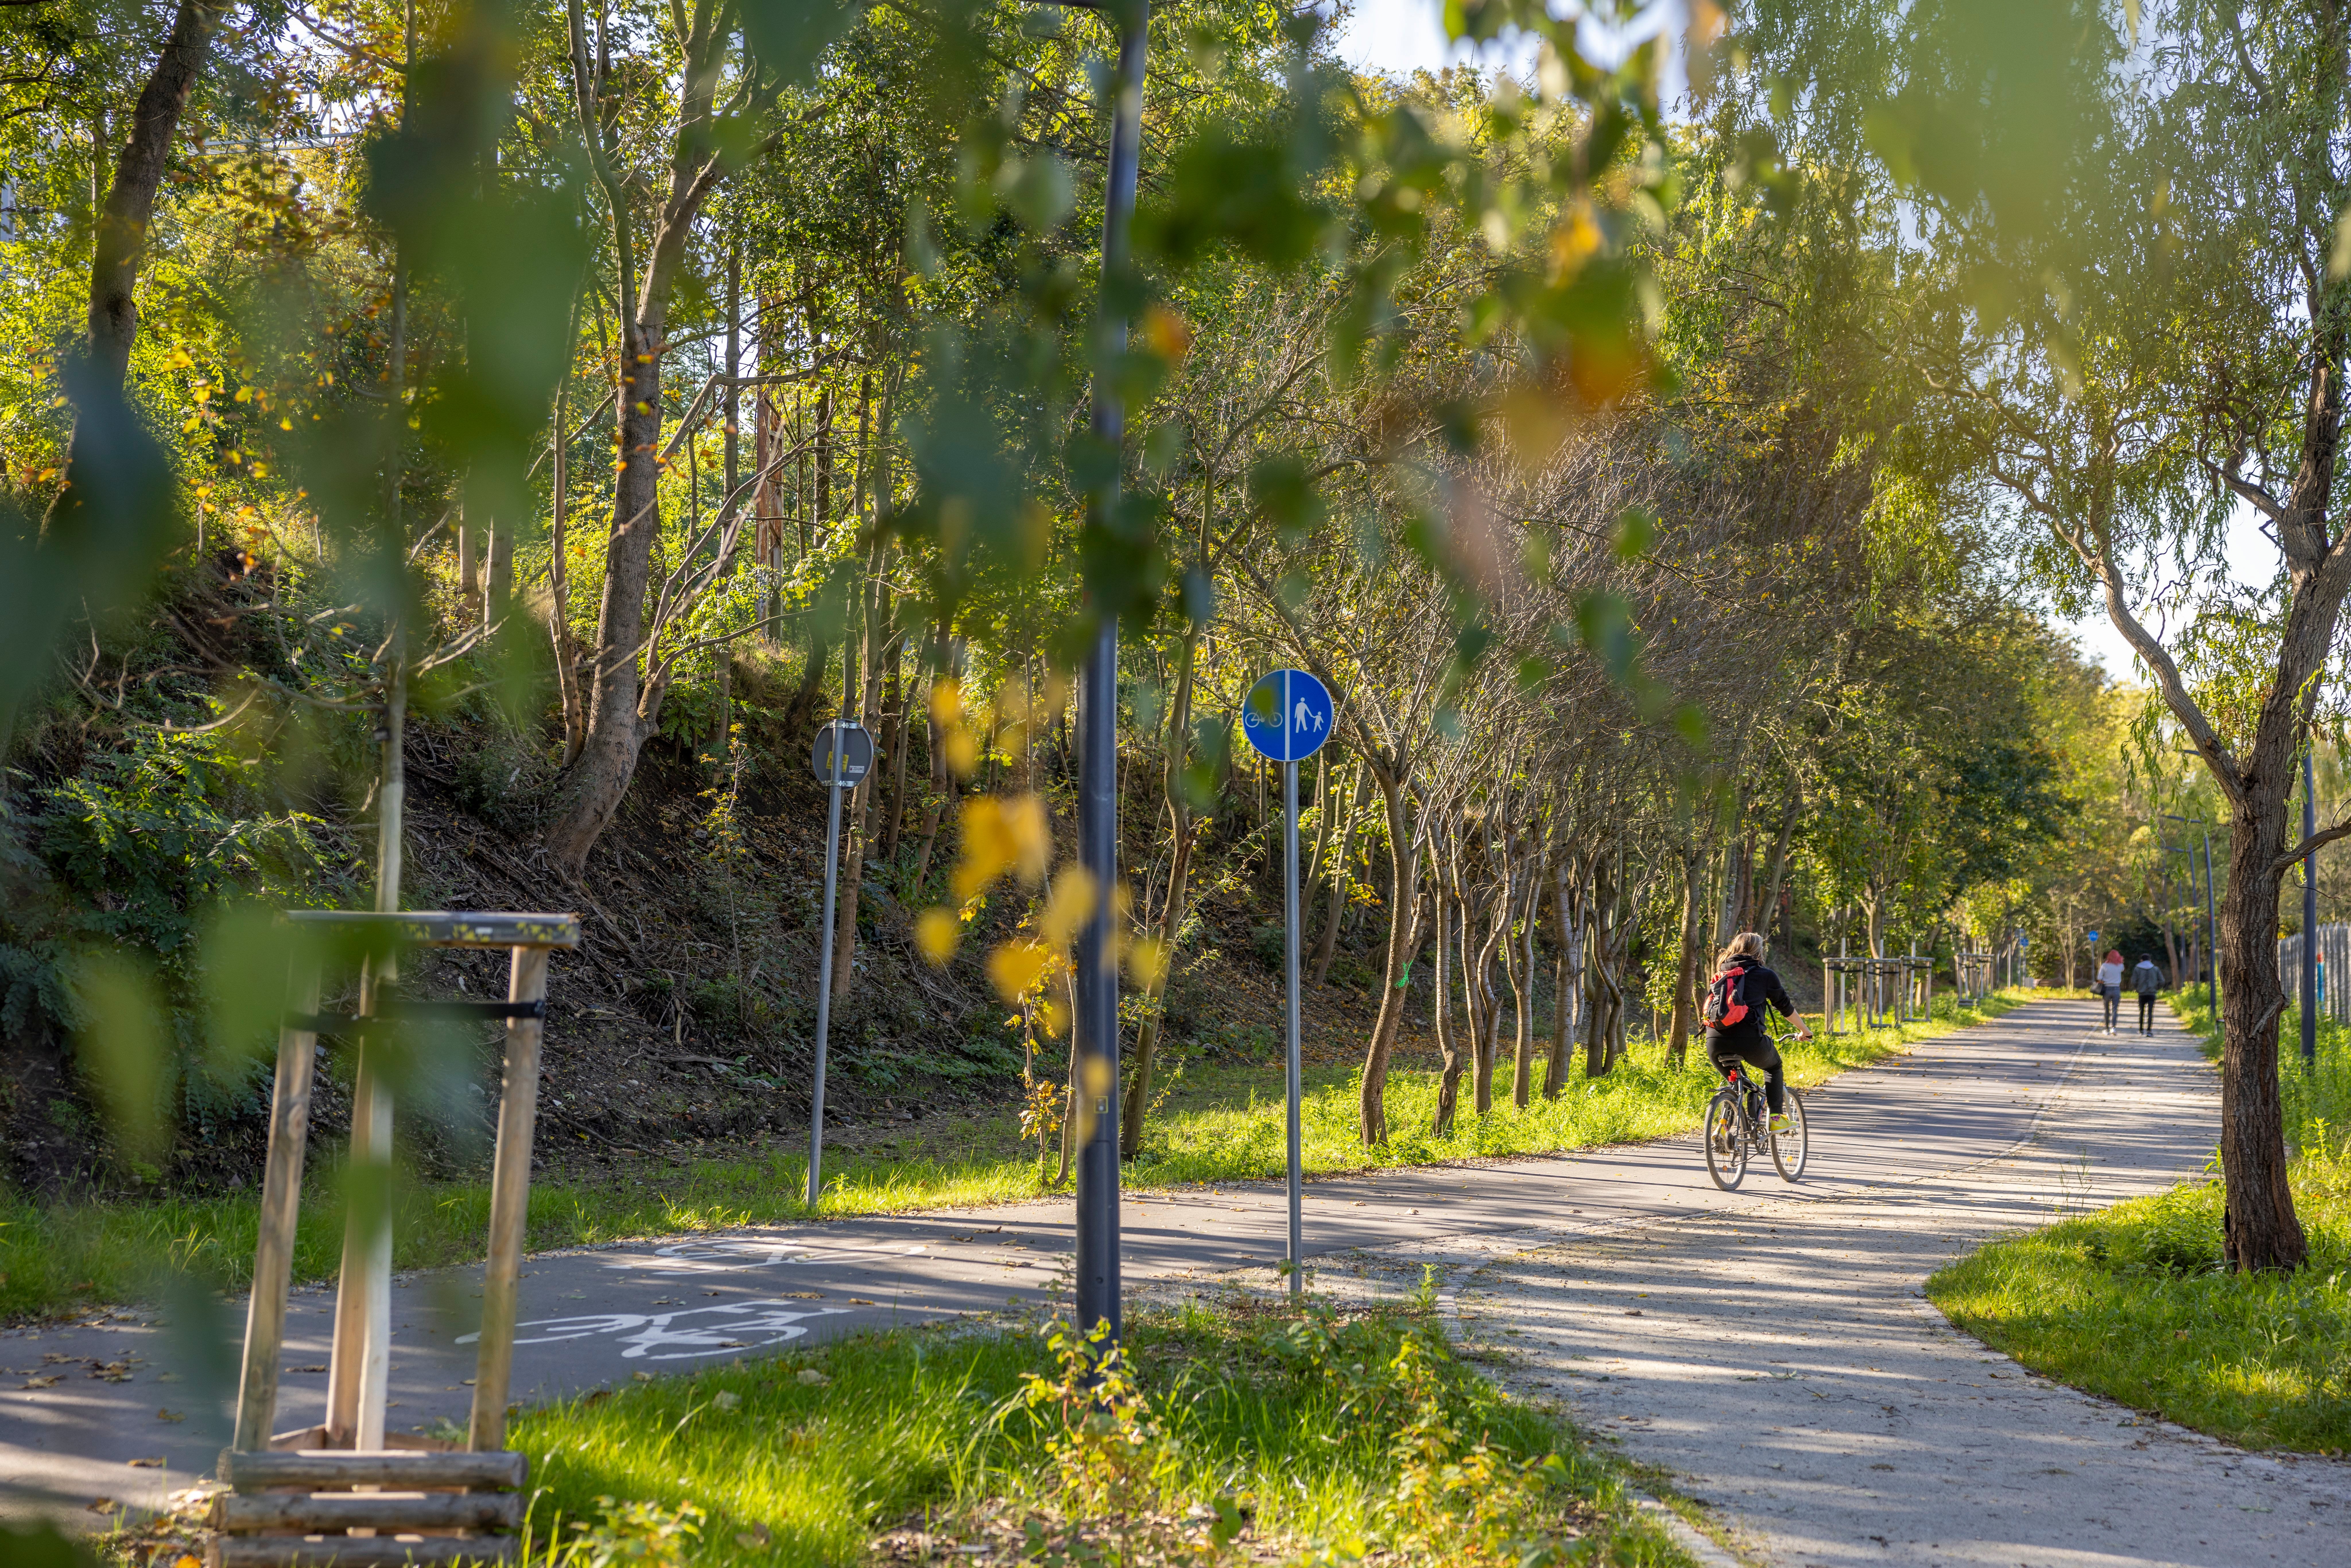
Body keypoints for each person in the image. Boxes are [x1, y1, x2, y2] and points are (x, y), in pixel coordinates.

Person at [1704, 931, 1809, 1132]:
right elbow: (1785, 1007)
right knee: (1774, 1067)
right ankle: (1777, 1119)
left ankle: (1725, 1128)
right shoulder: (1765, 975)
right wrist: (1805, 1030)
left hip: (1714, 1041)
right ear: (1759, 951)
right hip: (1749, 1040)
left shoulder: (1721, 974)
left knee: (1736, 1082)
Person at [2131, 954, 2163, 1034]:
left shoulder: (2137, 969)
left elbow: (2134, 981)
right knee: (2150, 1012)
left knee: (2142, 1011)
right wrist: (2157, 988)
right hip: (2152, 993)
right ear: (2150, 960)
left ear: (2142, 960)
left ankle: (2141, 1029)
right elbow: (2162, 981)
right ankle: (2149, 1030)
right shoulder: (2156, 969)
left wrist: (2138, 988)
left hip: (2142, 993)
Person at [2095, 948, 2124, 1032]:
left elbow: (2099, 978)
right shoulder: (2121, 966)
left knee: (2107, 1010)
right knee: (2115, 1009)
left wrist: (2106, 979)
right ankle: (2114, 1028)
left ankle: (2106, 1029)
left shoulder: (2104, 966)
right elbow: (2122, 970)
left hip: (2106, 989)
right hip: (2117, 989)